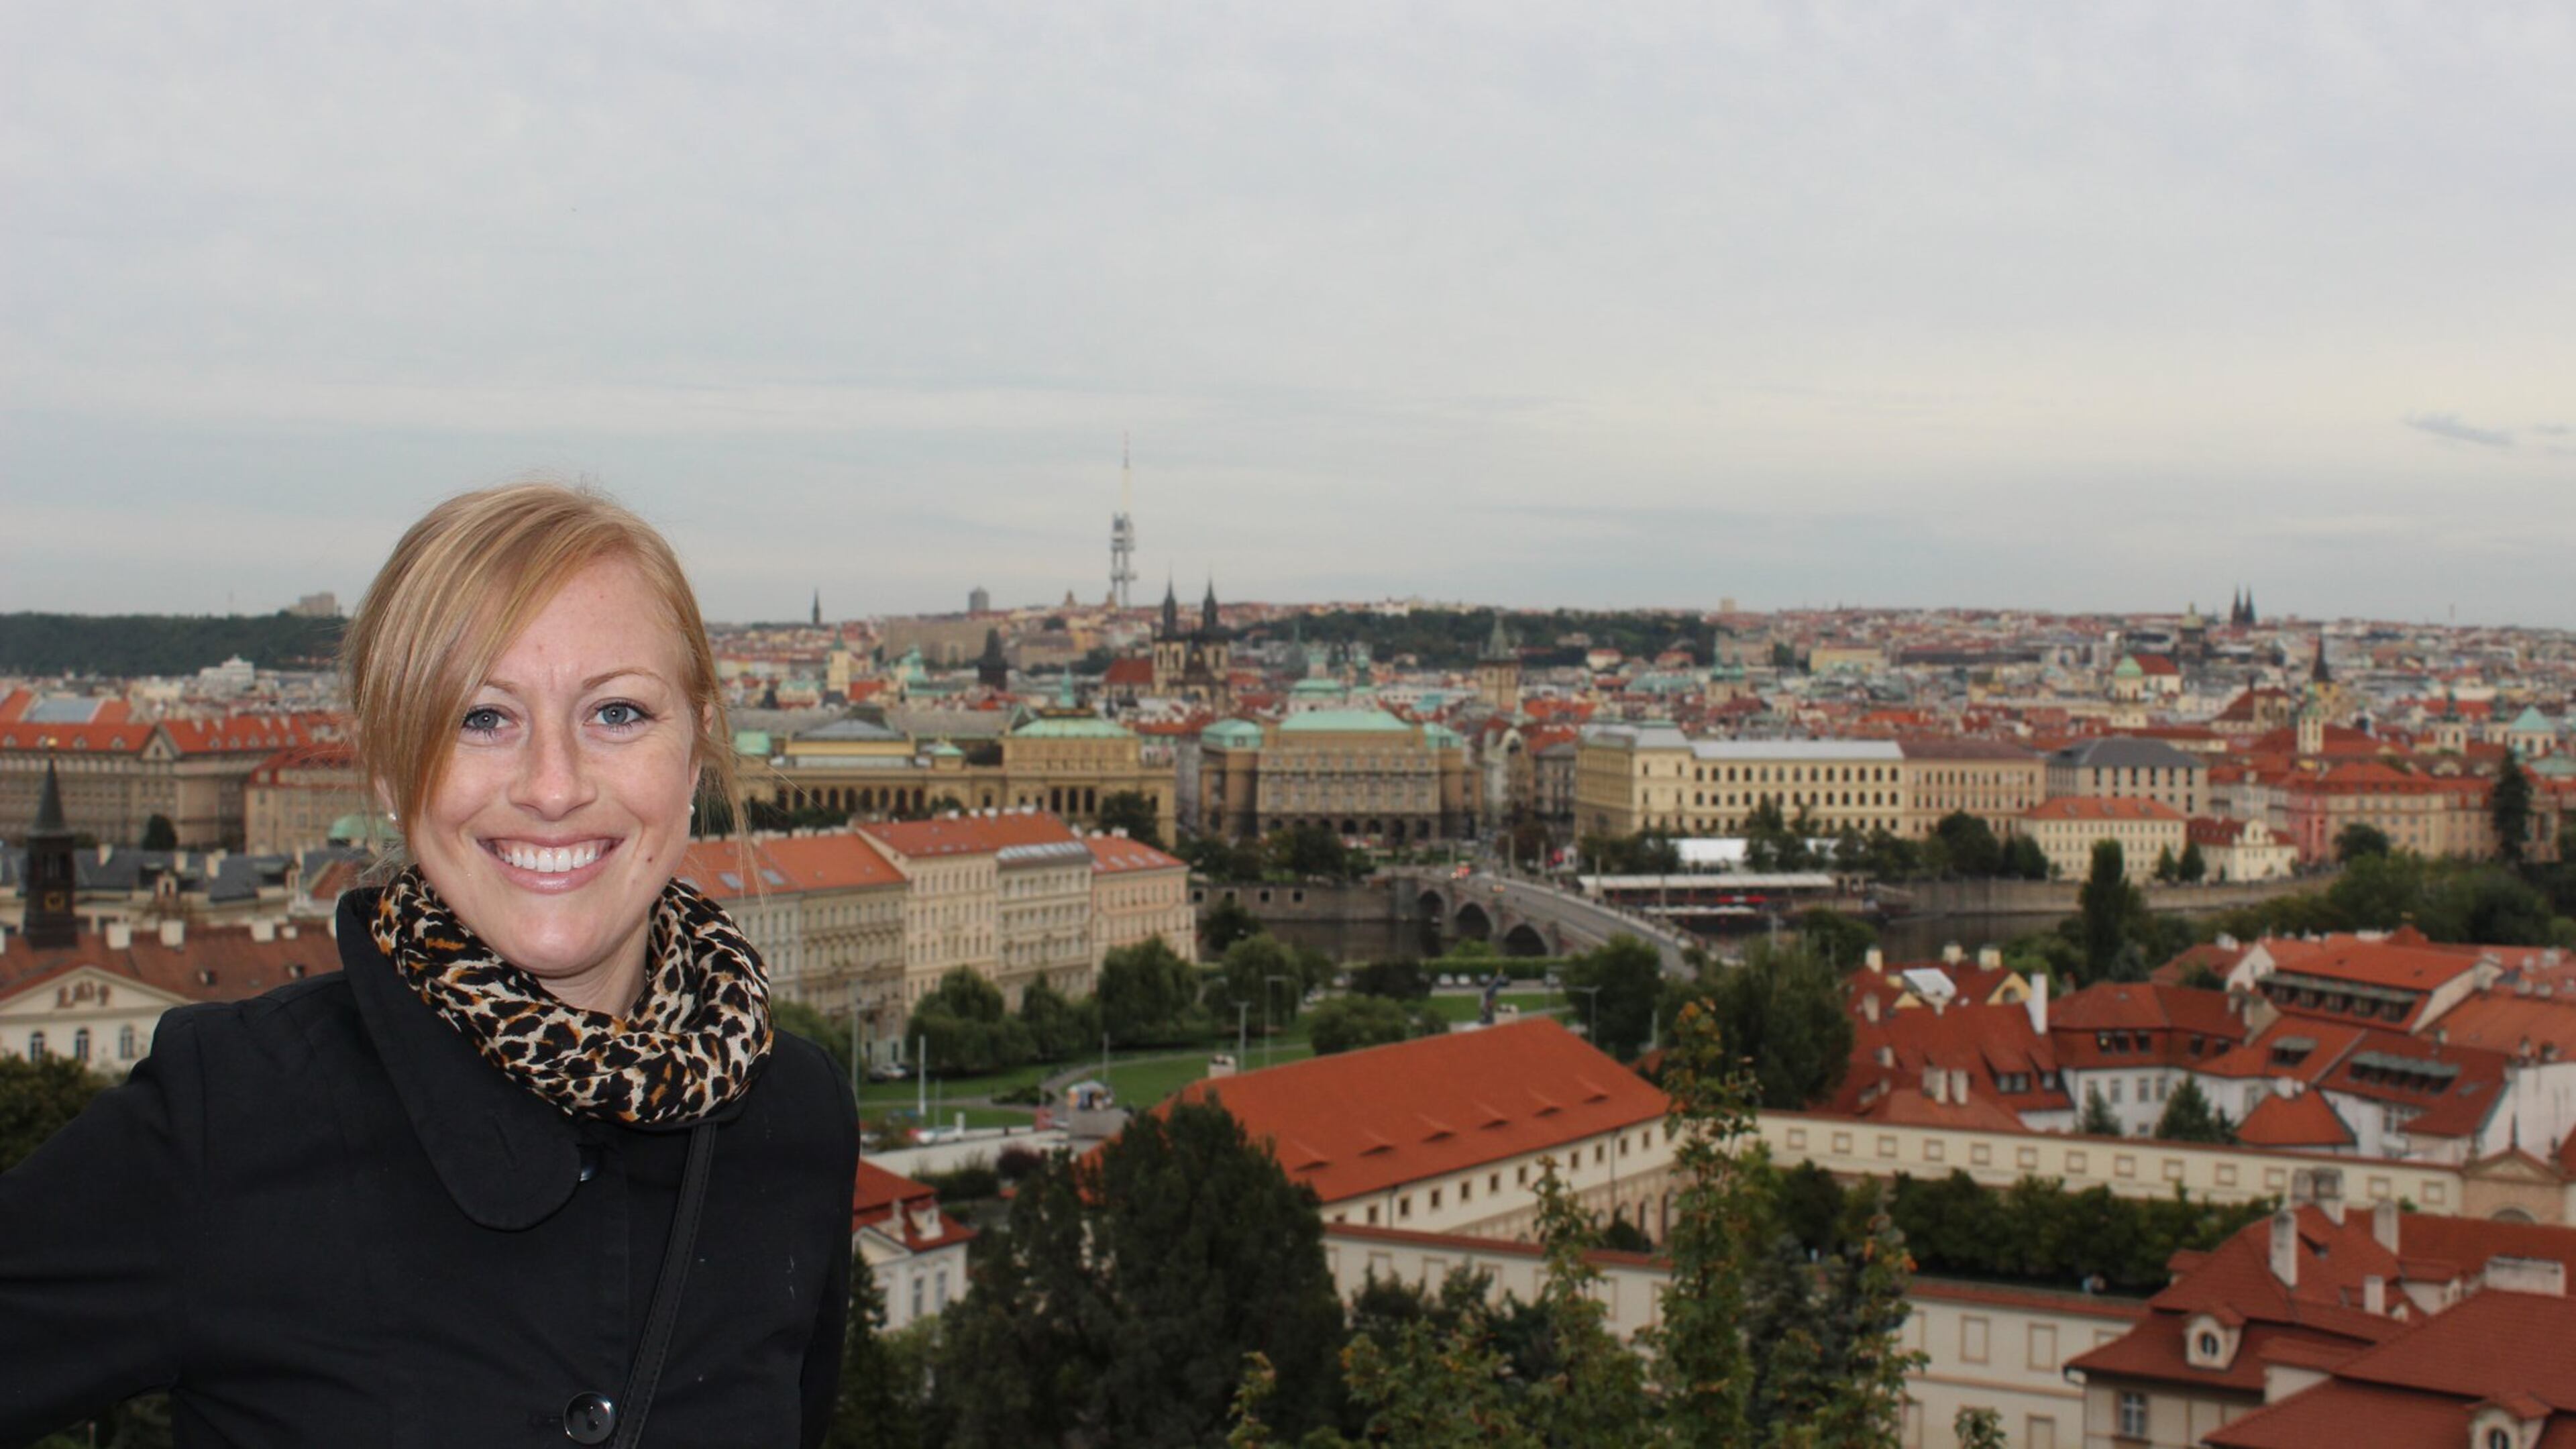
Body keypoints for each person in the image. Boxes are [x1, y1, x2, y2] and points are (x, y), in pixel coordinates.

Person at [0, 484, 859, 1446]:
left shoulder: (798, 1114)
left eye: (617, 712)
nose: (553, 787)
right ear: (390, 768)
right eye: (480, 718)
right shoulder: (230, 1113)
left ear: (695, 748)